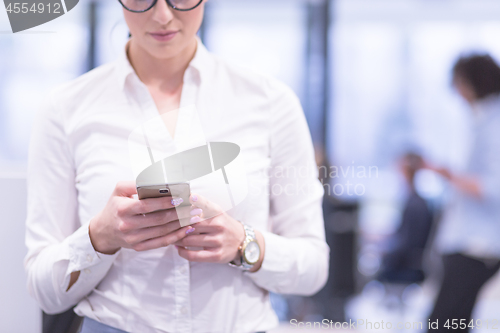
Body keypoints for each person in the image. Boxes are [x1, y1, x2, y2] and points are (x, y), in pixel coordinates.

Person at [24, 1, 330, 332]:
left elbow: (314, 267)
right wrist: (100, 237)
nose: (162, 15)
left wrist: (243, 244)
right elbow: (44, 290)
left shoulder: (270, 102)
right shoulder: (65, 110)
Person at [425, 54, 500, 332]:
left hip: (478, 245)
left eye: (458, 83)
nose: (456, 92)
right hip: (470, 242)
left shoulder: (494, 123)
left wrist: (449, 175)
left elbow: (494, 186)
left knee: (442, 323)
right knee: (454, 322)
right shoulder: (482, 121)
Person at [377, 152, 434, 284]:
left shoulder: (415, 205)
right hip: (410, 262)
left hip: (407, 267)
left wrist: (384, 256)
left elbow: (407, 245)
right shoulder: (417, 202)